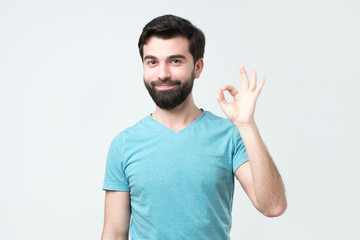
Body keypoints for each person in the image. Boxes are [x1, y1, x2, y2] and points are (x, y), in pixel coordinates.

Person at [101, 14, 287, 240]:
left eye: (175, 61)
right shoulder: (124, 144)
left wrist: (246, 125)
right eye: (152, 62)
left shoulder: (229, 136)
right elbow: (114, 233)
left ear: (197, 68)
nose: (162, 74)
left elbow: (273, 206)